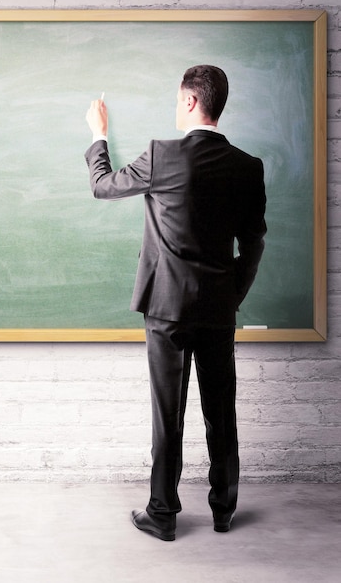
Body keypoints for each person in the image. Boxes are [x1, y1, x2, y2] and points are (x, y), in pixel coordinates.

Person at [84, 65, 267, 541]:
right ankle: (223, 510)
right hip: (218, 310)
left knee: (168, 412)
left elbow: (103, 186)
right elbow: (254, 244)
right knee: (220, 410)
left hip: (166, 308)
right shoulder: (248, 167)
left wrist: (99, 137)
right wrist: (231, 295)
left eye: (176, 99)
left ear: (189, 102)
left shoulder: (161, 156)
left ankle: (162, 514)